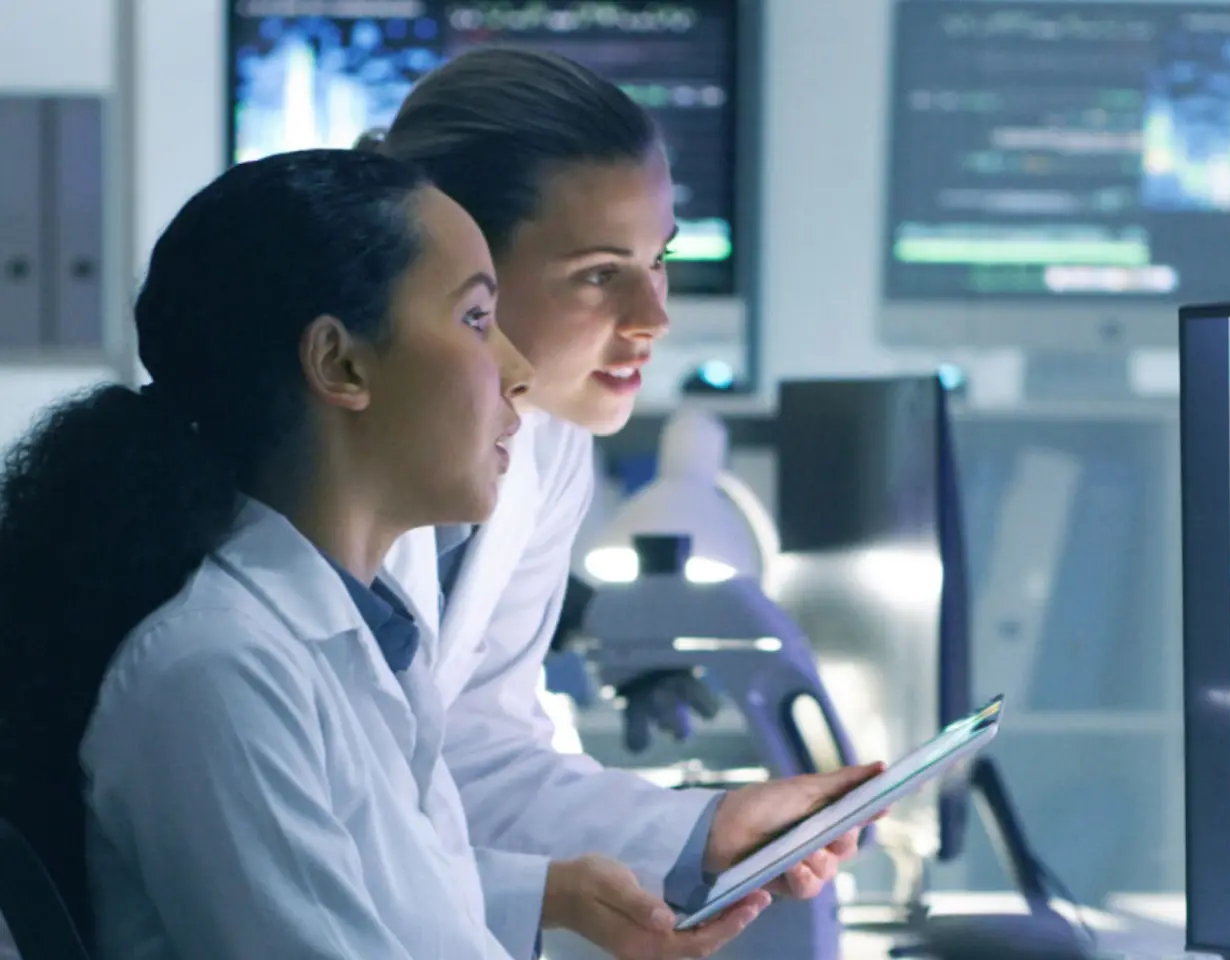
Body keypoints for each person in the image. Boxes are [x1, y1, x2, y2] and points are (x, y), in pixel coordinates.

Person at [0, 149, 771, 959]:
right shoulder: (221, 670)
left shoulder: (353, 640)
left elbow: (391, 890)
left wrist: (555, 893)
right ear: (341, 363)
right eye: (477, 319)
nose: (516, 371)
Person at [365, 47, 885, 958]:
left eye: (660, 260)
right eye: (601, 273)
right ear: (456, 272)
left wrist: (708, 829)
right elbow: (331, 834)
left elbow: (473, 755)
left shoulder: (549, 443)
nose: (654, 315)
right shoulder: (305, 496)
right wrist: (545, 895)